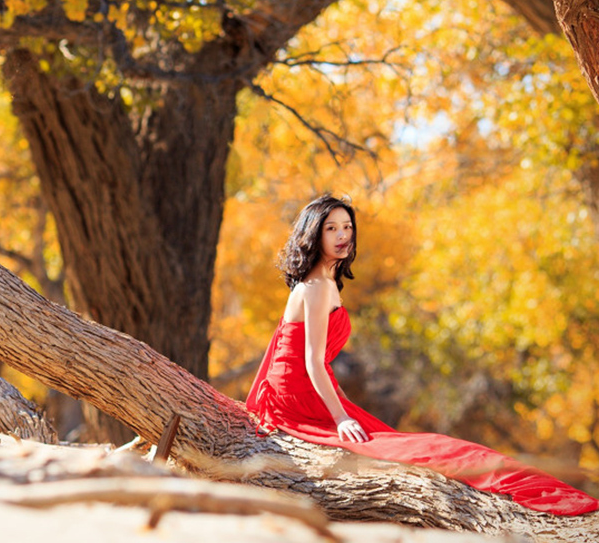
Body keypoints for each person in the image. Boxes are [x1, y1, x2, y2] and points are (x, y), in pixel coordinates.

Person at [246, 194, 598, 515]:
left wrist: (341, 405)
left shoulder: (321, 281)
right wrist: (340, 418)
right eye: (331, 228)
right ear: (314, 234)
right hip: (294, 394)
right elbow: (310, 361)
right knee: (414, 449)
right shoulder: (318, 285)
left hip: (301, 386)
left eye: (347, 227)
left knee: (404, 444)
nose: (342, 235)